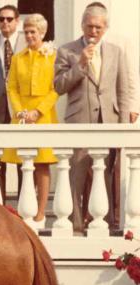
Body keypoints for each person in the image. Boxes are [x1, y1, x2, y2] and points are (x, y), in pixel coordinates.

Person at [54, 3, 131, 232]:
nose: (93, 32)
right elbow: (58, 86)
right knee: (75, 178)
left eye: (98, 27)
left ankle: (104, 225)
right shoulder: (67, 51)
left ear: (105, 27)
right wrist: (81, 64)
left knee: (104, 177)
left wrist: (124, 128)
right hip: (80, 122)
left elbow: (123, 90)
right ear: (82, 25)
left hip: (109, 122)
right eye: (90, 26)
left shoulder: (116, 52)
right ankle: (75, 226)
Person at [0, 14, 59, 230]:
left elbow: (56, 89)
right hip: (22, 116)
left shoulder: (52, 56)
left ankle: (40, 214)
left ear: (43, 33)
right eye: (26, 32)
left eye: (33, 31)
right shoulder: (18, 57)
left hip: (43, 116)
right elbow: (12, 87)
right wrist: (20, 111)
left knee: (41, 164)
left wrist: (38, 111)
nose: (30, 35)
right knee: (19, 163)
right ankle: (22, 211)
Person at [0, 4, 25, 199]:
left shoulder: (28, 43)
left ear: (17, 21)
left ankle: (23, 201)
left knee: (22, 159)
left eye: (9, 19)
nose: (5, 23)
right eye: (1, 19)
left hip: (21, 108)